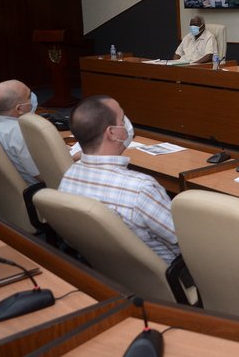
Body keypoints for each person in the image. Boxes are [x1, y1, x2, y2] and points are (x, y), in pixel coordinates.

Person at [59, 95, 180, 264]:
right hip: (168, 275)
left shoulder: (68, 176)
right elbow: (183, 241)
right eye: (122, 120)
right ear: (112, 133)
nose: (126, 125)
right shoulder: (141, 188)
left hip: (107, 270)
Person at [0, 80, 42, 185]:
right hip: (38, 191)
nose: (32, 98)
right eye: (29, 96)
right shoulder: (21, 133)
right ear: (19, 108)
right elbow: (42, 176)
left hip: (7, 190)